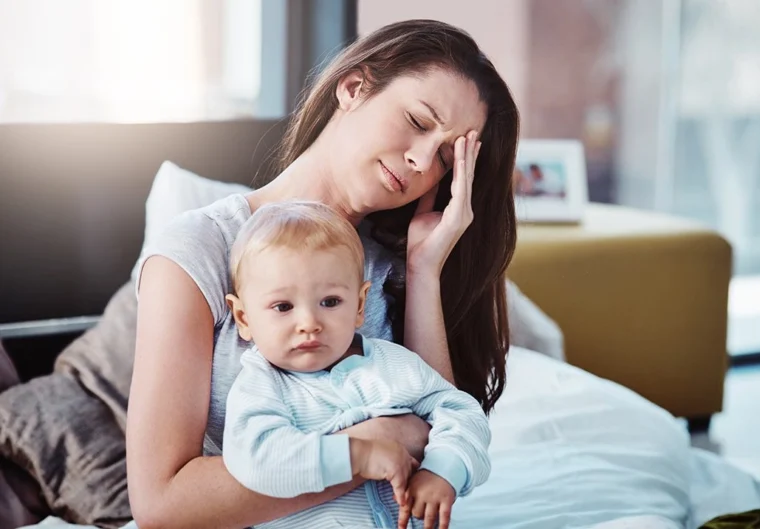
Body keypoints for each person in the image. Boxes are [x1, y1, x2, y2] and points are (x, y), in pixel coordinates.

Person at [127, 18, 519, 529]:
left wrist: (425, 271)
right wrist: (366, 448)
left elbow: (434, 443)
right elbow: (162, 504)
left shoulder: (394, 268)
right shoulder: (199, 250)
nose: (422, 161)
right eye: (419, 123)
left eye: (446, 158)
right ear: (354, 88)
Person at [221, 200, 491, 529]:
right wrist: (358, 455)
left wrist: (442, 469)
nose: (308, 322)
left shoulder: (392, 364)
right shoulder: (260, 386)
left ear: (360, 304)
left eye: (330, 302)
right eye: (282, 306)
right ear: (243, 317)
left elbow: (462, 412)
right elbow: (257, 460)